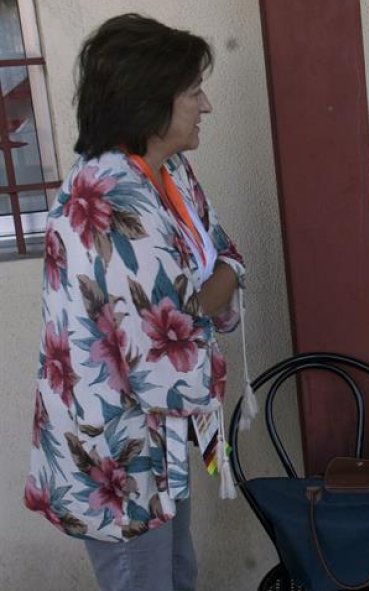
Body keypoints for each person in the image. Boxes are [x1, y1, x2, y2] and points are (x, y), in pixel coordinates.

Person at [23, 14, 246, 591]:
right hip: (120, 456)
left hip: (154, 444)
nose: (207, 106)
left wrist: (205, 294)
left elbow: (226, 257)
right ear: (151, 100)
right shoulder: (112, 198)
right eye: (194, 91)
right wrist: (206, 294)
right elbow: (165, 358)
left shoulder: (167, 171)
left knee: (178, 573)